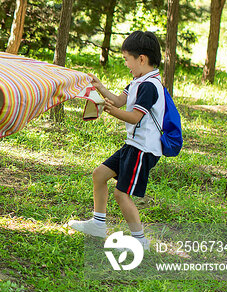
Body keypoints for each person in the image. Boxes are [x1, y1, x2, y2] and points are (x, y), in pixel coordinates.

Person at [68, 31, 165, 251]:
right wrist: (99, 87)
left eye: (126, 60)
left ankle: (140, 241)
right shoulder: (138, 81)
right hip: (133, 144)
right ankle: (98, 225)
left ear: (141, 58)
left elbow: (133, 116)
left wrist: (109, 110)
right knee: (99, 175)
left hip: (144, 149)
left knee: (121, 194)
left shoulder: (150, 86)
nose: (126, 65)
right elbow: (120, 101)